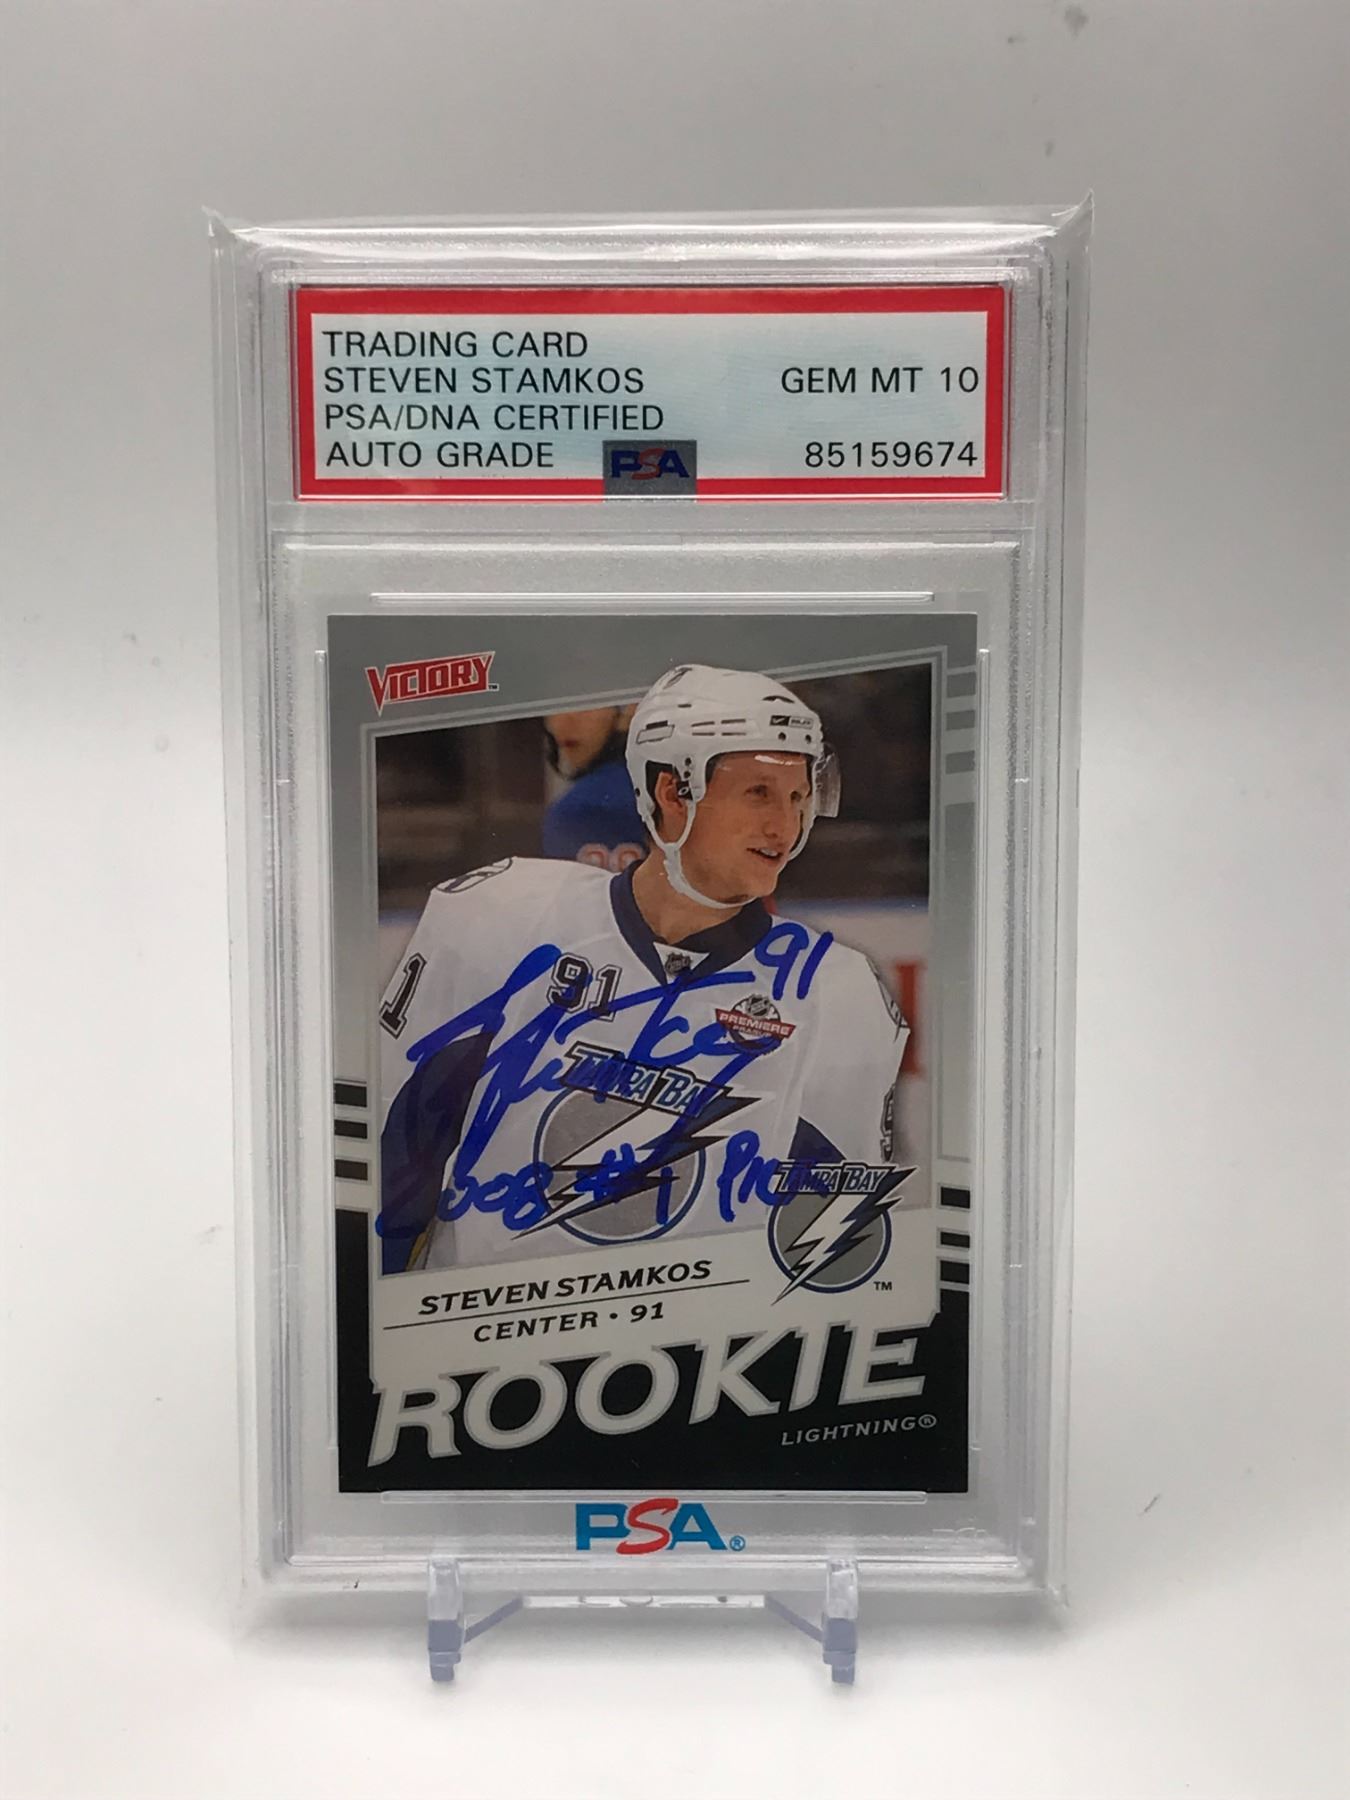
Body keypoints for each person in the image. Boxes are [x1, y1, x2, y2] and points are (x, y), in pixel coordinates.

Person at [378, 663, 909, 1273]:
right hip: (487, 1324)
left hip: (698, 1327)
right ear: (672, 793)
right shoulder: (499, 916)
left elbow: (832, 1254)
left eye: (797, 797)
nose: (784, 827)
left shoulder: (836, 991)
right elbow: (391, 1168)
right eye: (759, 793)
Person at [541, 704, 644, 870]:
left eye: (587, 704)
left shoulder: (585, 808)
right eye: (556, 703)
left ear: (629, 711)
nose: (566, 718)